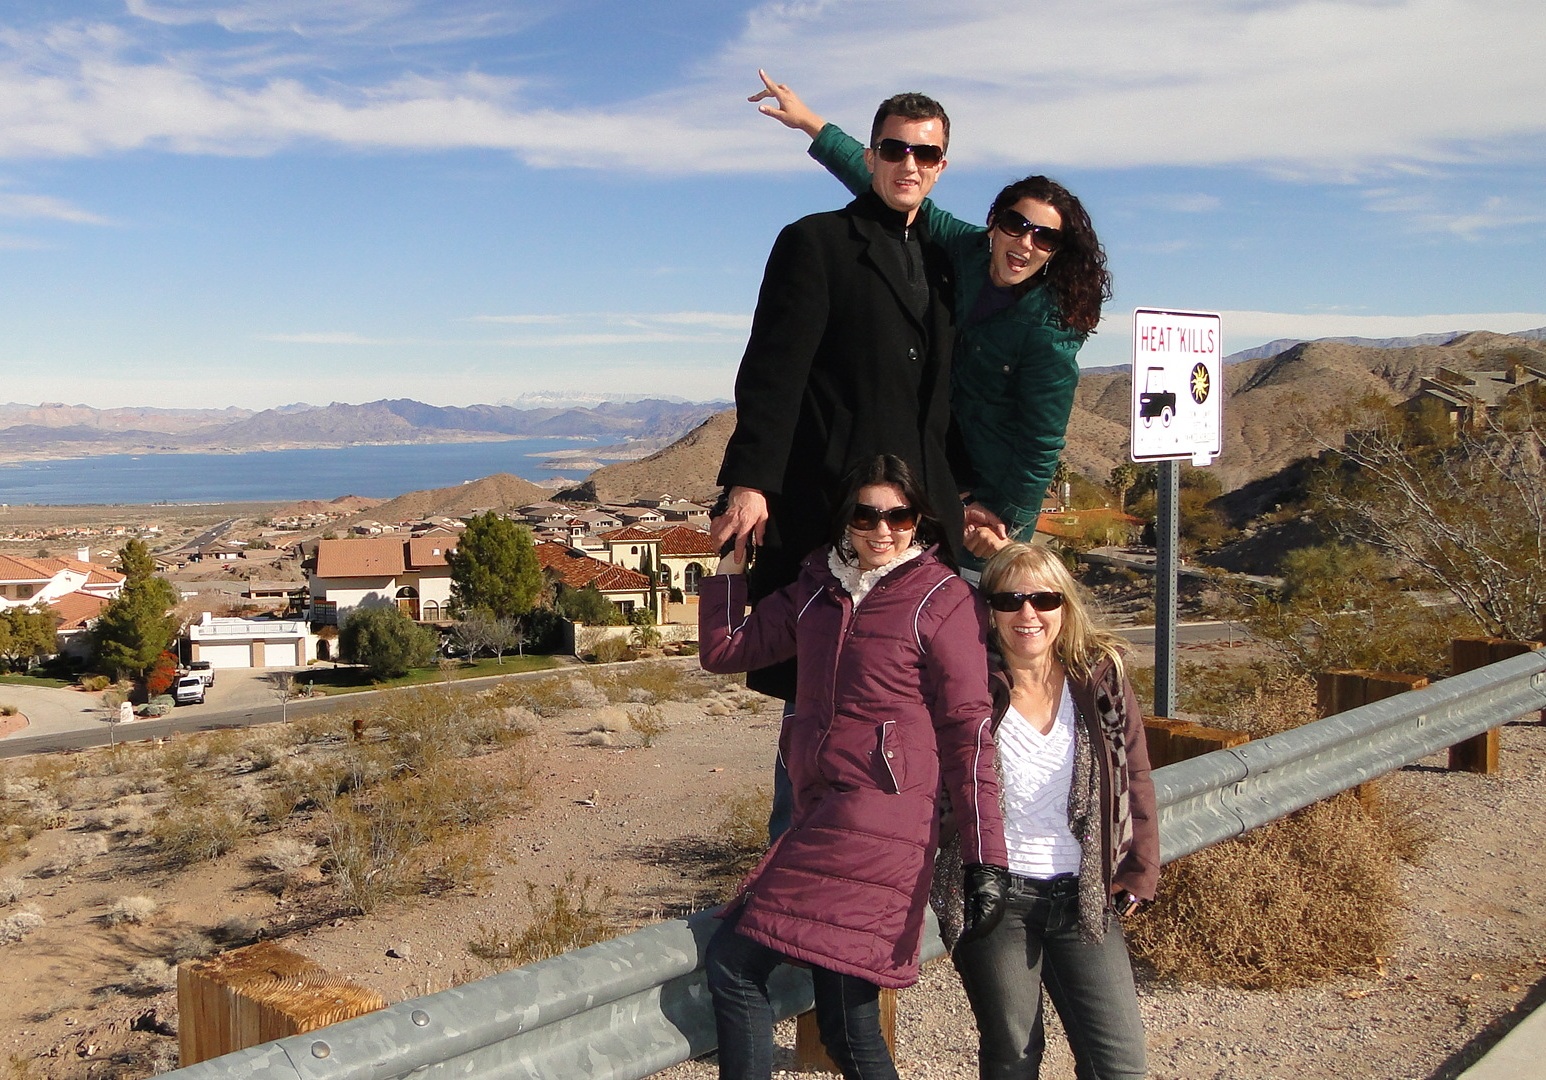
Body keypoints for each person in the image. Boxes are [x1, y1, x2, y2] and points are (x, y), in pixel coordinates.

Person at [698, 455, 1011, 1080]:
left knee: (735, 965)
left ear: (919, 520)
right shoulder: (819, 586)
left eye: (899, 516)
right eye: (866, 515)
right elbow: (725, 650)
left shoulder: (942, 599)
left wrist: (987, 858)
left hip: (883, 820)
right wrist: (731, 571)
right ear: (846, 519)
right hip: (821, 813)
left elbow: (968, 733)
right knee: (845, 1023)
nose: (882, 529)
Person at [750, 72, 1114, 561]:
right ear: (994, 224)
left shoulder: (1049, 330)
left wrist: (1007, 523)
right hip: (933, 467)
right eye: (1016, 224)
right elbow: (895, 180)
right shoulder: (962, 250)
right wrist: (811, 123)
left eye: (1045, 237)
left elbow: (1040, 444)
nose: (1026, 243)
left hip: (989, 486)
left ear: (1056, 252)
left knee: (973, 593)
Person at [710, 88, 979, 709]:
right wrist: (751, 483)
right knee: (823, 691)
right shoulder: (816, 243)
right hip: (835, 508)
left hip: (924, 520)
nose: (909, 164)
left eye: (925, 154)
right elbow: (772, 374)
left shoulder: (947, 262)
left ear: (941, 166)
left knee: (920, 694)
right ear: (870, 155)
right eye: (894, 149)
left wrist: (972, 492)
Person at [939, 541, 1159, 1080]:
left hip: (1084, 893)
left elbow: (1134, 775)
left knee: (1121, 1064)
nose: (1028, 613)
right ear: (989, 610)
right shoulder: (967, 685)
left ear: (1065, 604)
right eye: (1009, 599)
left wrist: (1139, 869)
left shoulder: (1100, 678)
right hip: (996, 896)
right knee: (1014, 1056)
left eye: (1043, 598)